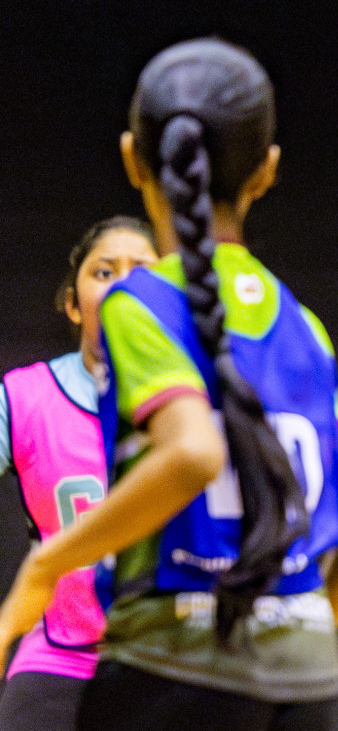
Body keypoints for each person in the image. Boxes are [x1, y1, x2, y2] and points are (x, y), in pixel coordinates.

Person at [0, 40, 338, 731]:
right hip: (305, 674)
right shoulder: (303, 324)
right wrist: (288, 645)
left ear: (133, 159)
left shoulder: (142, 303)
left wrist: (41, 570)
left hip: (174, 660)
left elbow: (191, 456)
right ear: (267, 170)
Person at [0, 218, 158, 731]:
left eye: (142, 270)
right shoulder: (25, 397)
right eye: (105, 271)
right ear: (73, 304)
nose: (124, 285)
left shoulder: (204, 400)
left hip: (172, 660)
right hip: (61, 657)